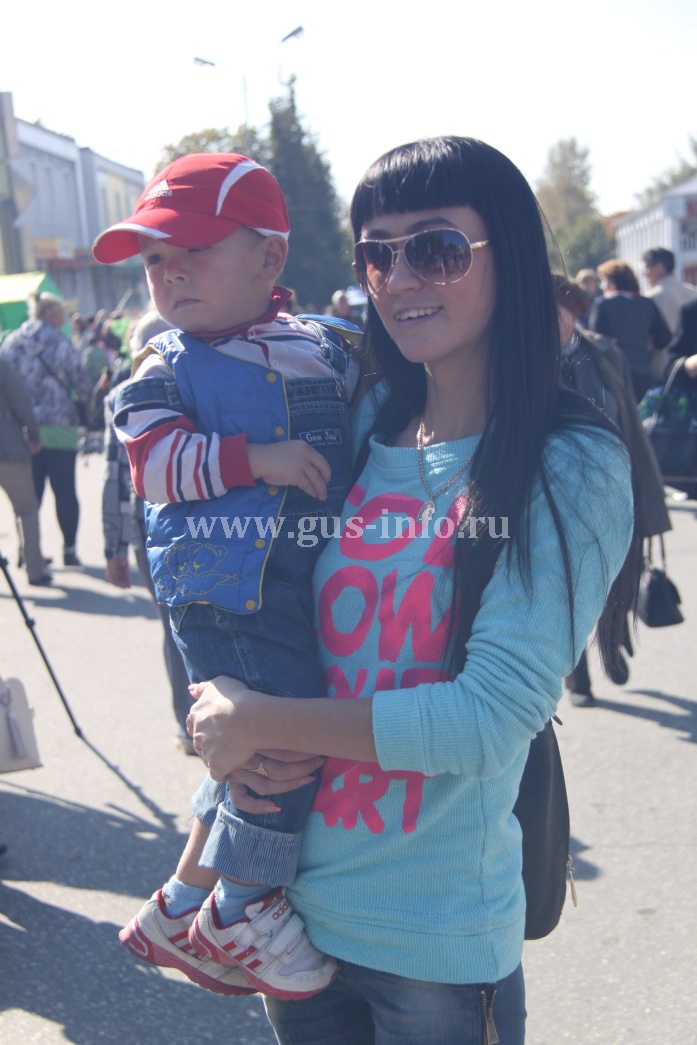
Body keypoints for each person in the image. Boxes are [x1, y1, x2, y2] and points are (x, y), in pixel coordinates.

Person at [184, 137, 640, 1045]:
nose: (398, 279)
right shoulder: (359, 426)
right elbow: (271, 615)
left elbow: (484, 721)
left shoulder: (569, 461)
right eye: (376, 253)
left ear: (509, 256)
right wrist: (225, 723)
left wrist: (261, 719)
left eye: (435, 248)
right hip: (291, 926)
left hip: (433, 945)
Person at [93, 152, 360, 999]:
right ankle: (244, 907)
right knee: (283, 742)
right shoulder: (161, 365)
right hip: (228, 593)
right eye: (154, 259)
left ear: (269, 258)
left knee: (256, 749)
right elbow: (154, 464)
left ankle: (180, 904)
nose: (169, 273)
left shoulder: (319, 344)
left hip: (294, 580)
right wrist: (257, 458)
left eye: (194, 251)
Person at [553, 275, 670, 705]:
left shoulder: (604, 352)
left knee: (619, 574)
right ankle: (578, 679)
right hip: (561, 491)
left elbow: (631, 423)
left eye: (562, 308)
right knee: (566, 586)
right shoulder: (525, 356)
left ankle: (613, 637)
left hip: (615, 483)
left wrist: (648, 491)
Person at [101, 310, 196, 752]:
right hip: (198, 521)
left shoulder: (123, 395)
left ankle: (188, 723)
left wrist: (114, 546)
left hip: (149, 532)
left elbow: (115, 478)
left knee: (174, 626)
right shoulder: (200, 381)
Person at [0, 292, 92, 566]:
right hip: (60, 427)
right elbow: (82, 384)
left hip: (23, 430)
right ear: (53, 314)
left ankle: (29, 553)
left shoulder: (12, 342)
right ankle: (69, 550)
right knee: (65, 491)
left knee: (29, 497)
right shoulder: (60, 343)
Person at [0, 358, 52, 585]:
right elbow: (21, 402)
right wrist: (33, 434)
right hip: (8, 448)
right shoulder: (2, 366)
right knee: (27, 510)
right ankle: (34, 568)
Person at [590, 259, 672, 402]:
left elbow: (595, 342)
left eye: (603, 280)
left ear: (612, 282)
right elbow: (665, 337)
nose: (601, 285)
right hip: (643, 373)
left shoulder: (603, 304)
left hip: (613, 374)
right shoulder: (647, 303)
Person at [642, 247, 697, 335]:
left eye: (647, 268)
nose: (644, 273)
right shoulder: (693, 293)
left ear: (660, 267)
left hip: (664, 343)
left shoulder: (649, 298)